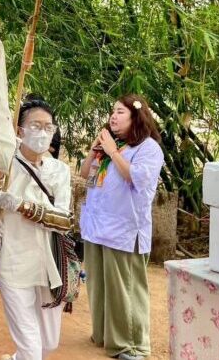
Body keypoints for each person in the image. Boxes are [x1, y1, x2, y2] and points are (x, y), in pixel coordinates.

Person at [79, 94, 164, 360]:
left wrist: (113, 152)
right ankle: (105, 335)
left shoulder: (148, 148)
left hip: (124, 230)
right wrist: (96, 147)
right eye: (112, 112)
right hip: (97, 226)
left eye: (120, 112)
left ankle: (131, 344)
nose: (113, 116)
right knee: (99, 286)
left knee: (124, 287)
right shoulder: (109, 146)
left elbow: (135, 176)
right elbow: (85, 175)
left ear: (136, 117)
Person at [0, 98, 73, 360]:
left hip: (50, 264)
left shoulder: (59, 170)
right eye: (35, 126)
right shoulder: (3, 165)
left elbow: (64, 220)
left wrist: (23, 206)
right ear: (19, 131)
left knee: (48, 343)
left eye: (48, 127)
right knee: (31, 346)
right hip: (13, 260)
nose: (42, 132)